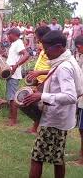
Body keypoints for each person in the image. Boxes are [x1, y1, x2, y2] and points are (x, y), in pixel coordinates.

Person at [24, 30, 83, 178]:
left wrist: (42, 96)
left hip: (54, 120)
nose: (44, 53)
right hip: (62, 118)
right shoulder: (68, 60)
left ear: (58, 47)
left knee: (36, 158)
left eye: (46, 49)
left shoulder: (64, 67)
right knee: (58, 157)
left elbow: (70, 96)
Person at [25, 26, 51, 134]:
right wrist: (35, 72)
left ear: (43, 36)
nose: (36, 39)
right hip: (39, 79)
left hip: (46, 80)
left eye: (37, 37)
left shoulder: (51, 49)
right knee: (38, 105)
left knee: (40, 106)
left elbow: (55, 69)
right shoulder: (44, 47)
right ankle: (34, 129)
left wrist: (39, 72)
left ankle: (38, 129)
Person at [5, 28, 30, 126]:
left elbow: (26, 55)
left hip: (14, 74)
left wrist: (16, 65)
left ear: (14, 34)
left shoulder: (19, 42)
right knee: (10, 96)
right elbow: (14, 57)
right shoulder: (14, 44)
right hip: (10, 73)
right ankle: (11, 117)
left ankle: (13, 120)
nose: (7, 37)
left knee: (12, 98)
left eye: (9, 35)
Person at [74, 35, 83, 165]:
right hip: (80, 98)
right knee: (81, 128)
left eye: (78, 47)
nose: (77, 49)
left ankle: (82, 159)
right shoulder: (80, 57)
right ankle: (81, 153)